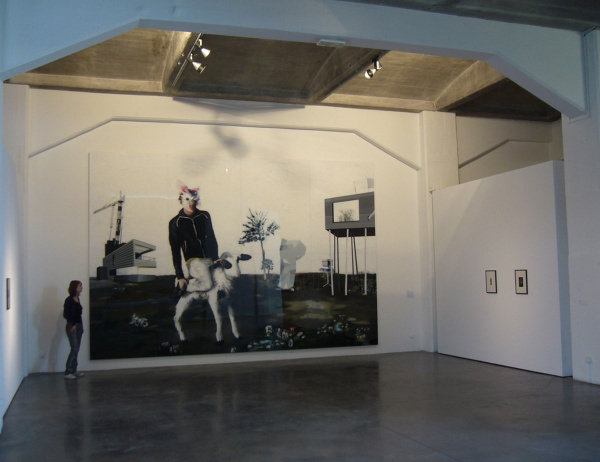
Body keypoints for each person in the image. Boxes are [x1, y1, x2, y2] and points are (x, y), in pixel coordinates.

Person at [169, 185, 220, 295]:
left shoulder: (205, 215)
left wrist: (216, 257)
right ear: (181, 201)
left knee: (220, 282)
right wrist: (180, 276)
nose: (191, 203)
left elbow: (211, 237)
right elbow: (175, 250)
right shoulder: (175, 222)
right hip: (194, 260)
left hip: (209, 257)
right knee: (207, 284)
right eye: (187, 200)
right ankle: (182, 287)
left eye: (194, 200)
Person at [63, 280, 84, 380]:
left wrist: (81, 326)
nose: (81, 288)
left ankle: (74, 369)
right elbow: (66, 314)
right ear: (75, 287)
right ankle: (68, 371)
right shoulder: (69, 300)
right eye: (80, 286)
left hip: (79, 326)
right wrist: (73, 324)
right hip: (72, 326)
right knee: (74, 348)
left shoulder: (77, 299)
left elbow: (78, 315)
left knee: (77, 348)